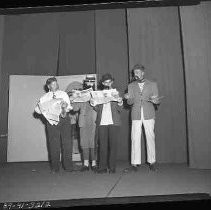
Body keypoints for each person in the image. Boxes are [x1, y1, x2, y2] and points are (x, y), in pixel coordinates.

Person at [124, 64, 160, 172]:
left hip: (149, 114)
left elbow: (157, 100)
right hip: (136, 114)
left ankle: (152, 162)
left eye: (138, 72)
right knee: (134, 138)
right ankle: (134, 164)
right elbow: (129, 102)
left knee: (150, 137)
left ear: (143, 73)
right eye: (134, 73)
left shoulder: (152, 84)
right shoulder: (131, 86)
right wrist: (127, 98)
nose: (136, 75)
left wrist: (155, 101)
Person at [35, 77, 75, 173]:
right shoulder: (44, 97)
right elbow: (37, 110)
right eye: (53, 84)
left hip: (64, 119)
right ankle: (55, 168)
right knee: (53, 145)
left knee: (67, 143)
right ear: (48, 86)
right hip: (51, 121)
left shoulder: (63, 94)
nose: (56, 85)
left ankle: (68, 167)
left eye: (56, 83)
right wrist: (43, 110)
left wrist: (66, 106)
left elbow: (69, 107)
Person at [90, 73, 123, 174]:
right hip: (102, 122)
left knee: (113, 146)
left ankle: (112, 168)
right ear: (103, 83)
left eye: (109, 82)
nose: (107, 83)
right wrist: (93, 103)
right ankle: (102, 168)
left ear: (112, 82)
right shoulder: (99, 93)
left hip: (114, 122)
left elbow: (120, 110)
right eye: (105, 82)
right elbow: (96, 108)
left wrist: (120, 102)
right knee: (102, 145)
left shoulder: (116, 92)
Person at [71, 75, 97, 172]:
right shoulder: (81, 94)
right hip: (83, 121)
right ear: (85, 83)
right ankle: (85, 164)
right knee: (84, 142)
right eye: (88, 81)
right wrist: (73, 100)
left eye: (92, 81)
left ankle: (94, 163)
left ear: (94, 83)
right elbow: (75, 109)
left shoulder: (97, 93)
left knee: (93, 142)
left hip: (93, 120)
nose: (90, 83)